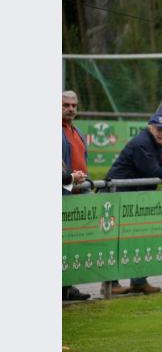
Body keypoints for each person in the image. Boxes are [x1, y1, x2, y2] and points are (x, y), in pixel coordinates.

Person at [103, 113, 162, 295]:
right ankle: (111, 283)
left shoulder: (159, 143)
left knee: (139, 238)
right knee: (115, 241)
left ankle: (139, 281)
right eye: (159, 129)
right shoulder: (142, 142)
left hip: (135, 198)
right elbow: (152, 170)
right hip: (116, 195)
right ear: (150, 127)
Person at [61, 90, 91, 301]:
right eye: (65, 105)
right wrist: (69, 178)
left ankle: (67, 286)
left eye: (74, 105)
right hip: (62, 195)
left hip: (77, 195)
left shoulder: (77, 131)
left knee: (71, 245)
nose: (71, 108)